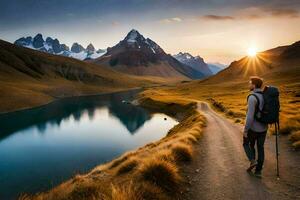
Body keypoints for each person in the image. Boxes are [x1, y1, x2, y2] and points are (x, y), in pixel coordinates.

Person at [243, 76, 268, 178]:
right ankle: (258, 171)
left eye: (250, 83)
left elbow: (250, 117)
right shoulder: (265, 96)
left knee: (246, 143)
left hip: (253, 128)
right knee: (260, 148)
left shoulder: (252, 97)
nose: (249, 85)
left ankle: (252, 161)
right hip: (264, 128)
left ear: (254, 85)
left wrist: (245, 130)